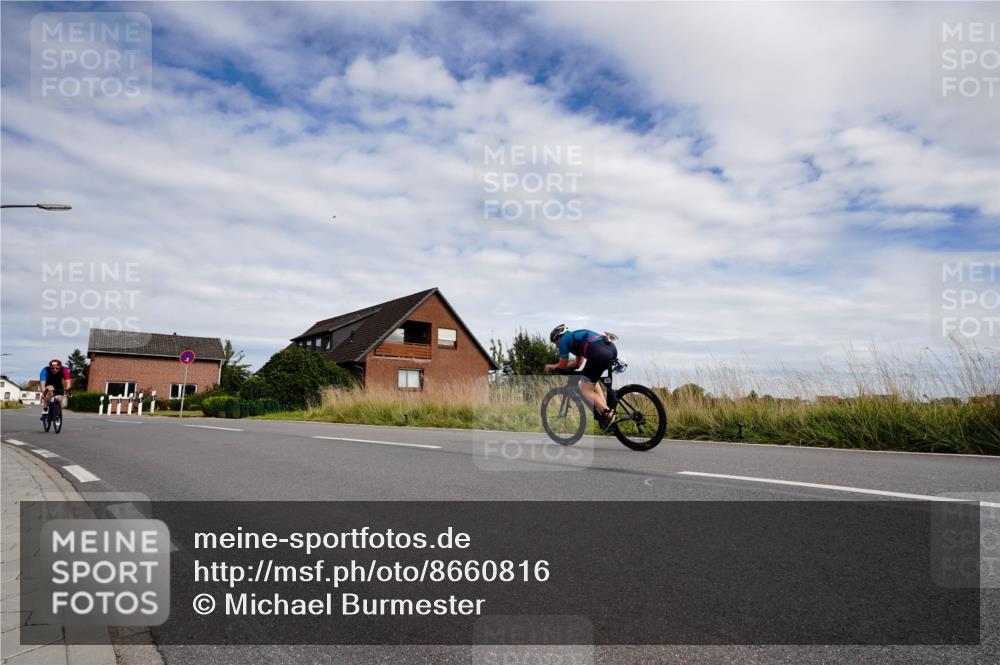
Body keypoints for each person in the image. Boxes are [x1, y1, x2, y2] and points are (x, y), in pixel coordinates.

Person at [544, 325, 619, 426]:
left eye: (555, 342)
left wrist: (552, 367)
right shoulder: (575, 338)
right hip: (611, 349)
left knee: (585, 389)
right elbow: (577, 364)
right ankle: (603, 409)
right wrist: (564, 367)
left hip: (598, 354)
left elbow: (562, 365)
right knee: (590, 379)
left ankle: (609, 413)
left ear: (559, 337)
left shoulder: (564, 341)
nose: (557, 346)